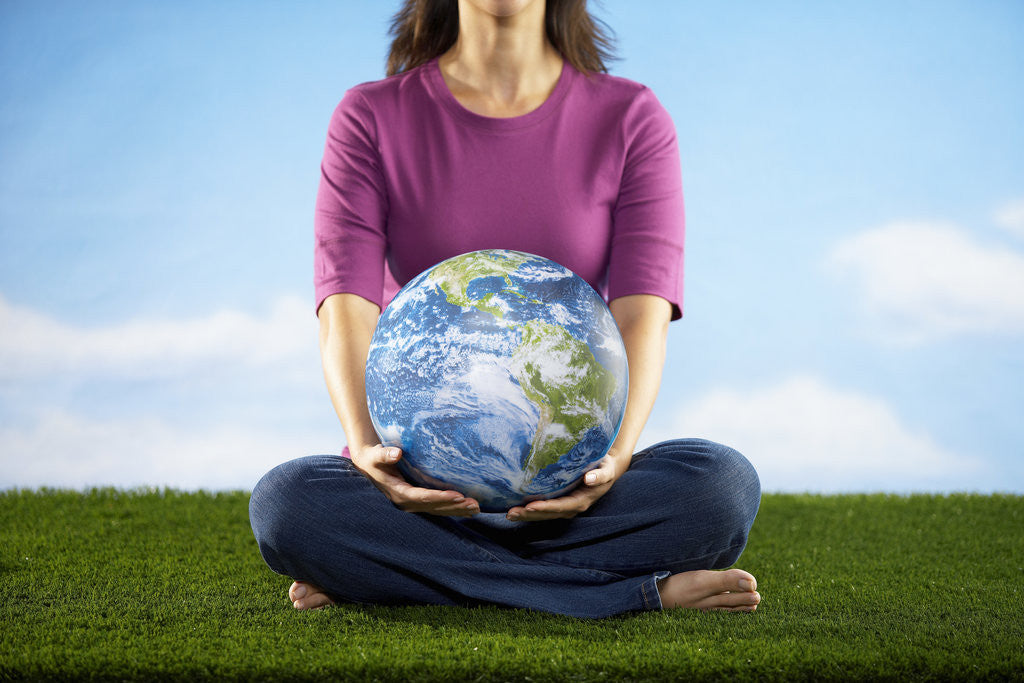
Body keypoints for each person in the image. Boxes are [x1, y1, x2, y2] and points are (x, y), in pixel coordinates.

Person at [249, 0, 761, 619]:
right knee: (287, 503)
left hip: (572, 492)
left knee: (720, 484)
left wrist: (615, 458)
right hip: (414, 493)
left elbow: (640, 316)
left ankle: (400, 575)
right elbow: (345, 307)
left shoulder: (631, 116)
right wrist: (366, 453)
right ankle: (624, 592)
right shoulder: (370, 115)